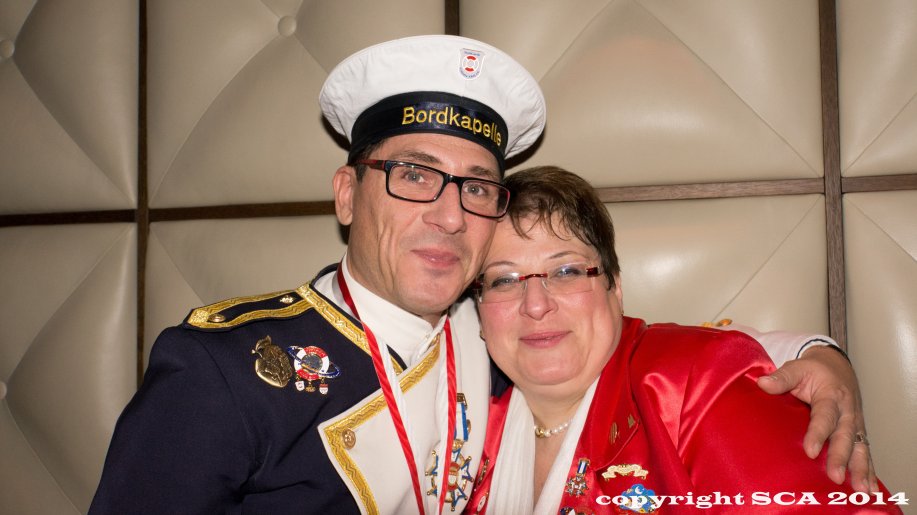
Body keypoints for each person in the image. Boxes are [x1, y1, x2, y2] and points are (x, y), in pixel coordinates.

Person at [89, 36, 872, 514]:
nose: (448, 214)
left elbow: (643, 353)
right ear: (347, 193)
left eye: (474, 186)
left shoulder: (492, 339)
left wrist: (816, 354)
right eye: (413, 175)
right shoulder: (225, 370)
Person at [468, 166, 899, 514]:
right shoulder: (465, 421)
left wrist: (823, 355)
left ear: (615, 288)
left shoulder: (695, 386)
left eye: (567, 272)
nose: (536, 305)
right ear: (477, 311)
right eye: (504, 280)